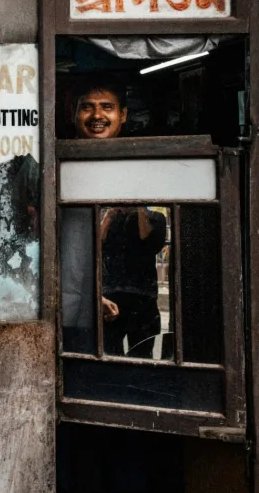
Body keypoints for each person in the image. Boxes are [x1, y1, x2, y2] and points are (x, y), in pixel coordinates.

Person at [74, 79, 167, 358]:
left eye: (107, 107)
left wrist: (134, 198)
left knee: (142, 363)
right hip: (95, 296)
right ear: (74, 112)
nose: (97, 115)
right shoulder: (67, 166)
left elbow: (153, 240)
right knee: (102, 362)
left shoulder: (142, 165)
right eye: (88, 107)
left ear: (123, 115)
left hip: (142, 296)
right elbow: (88, 243)